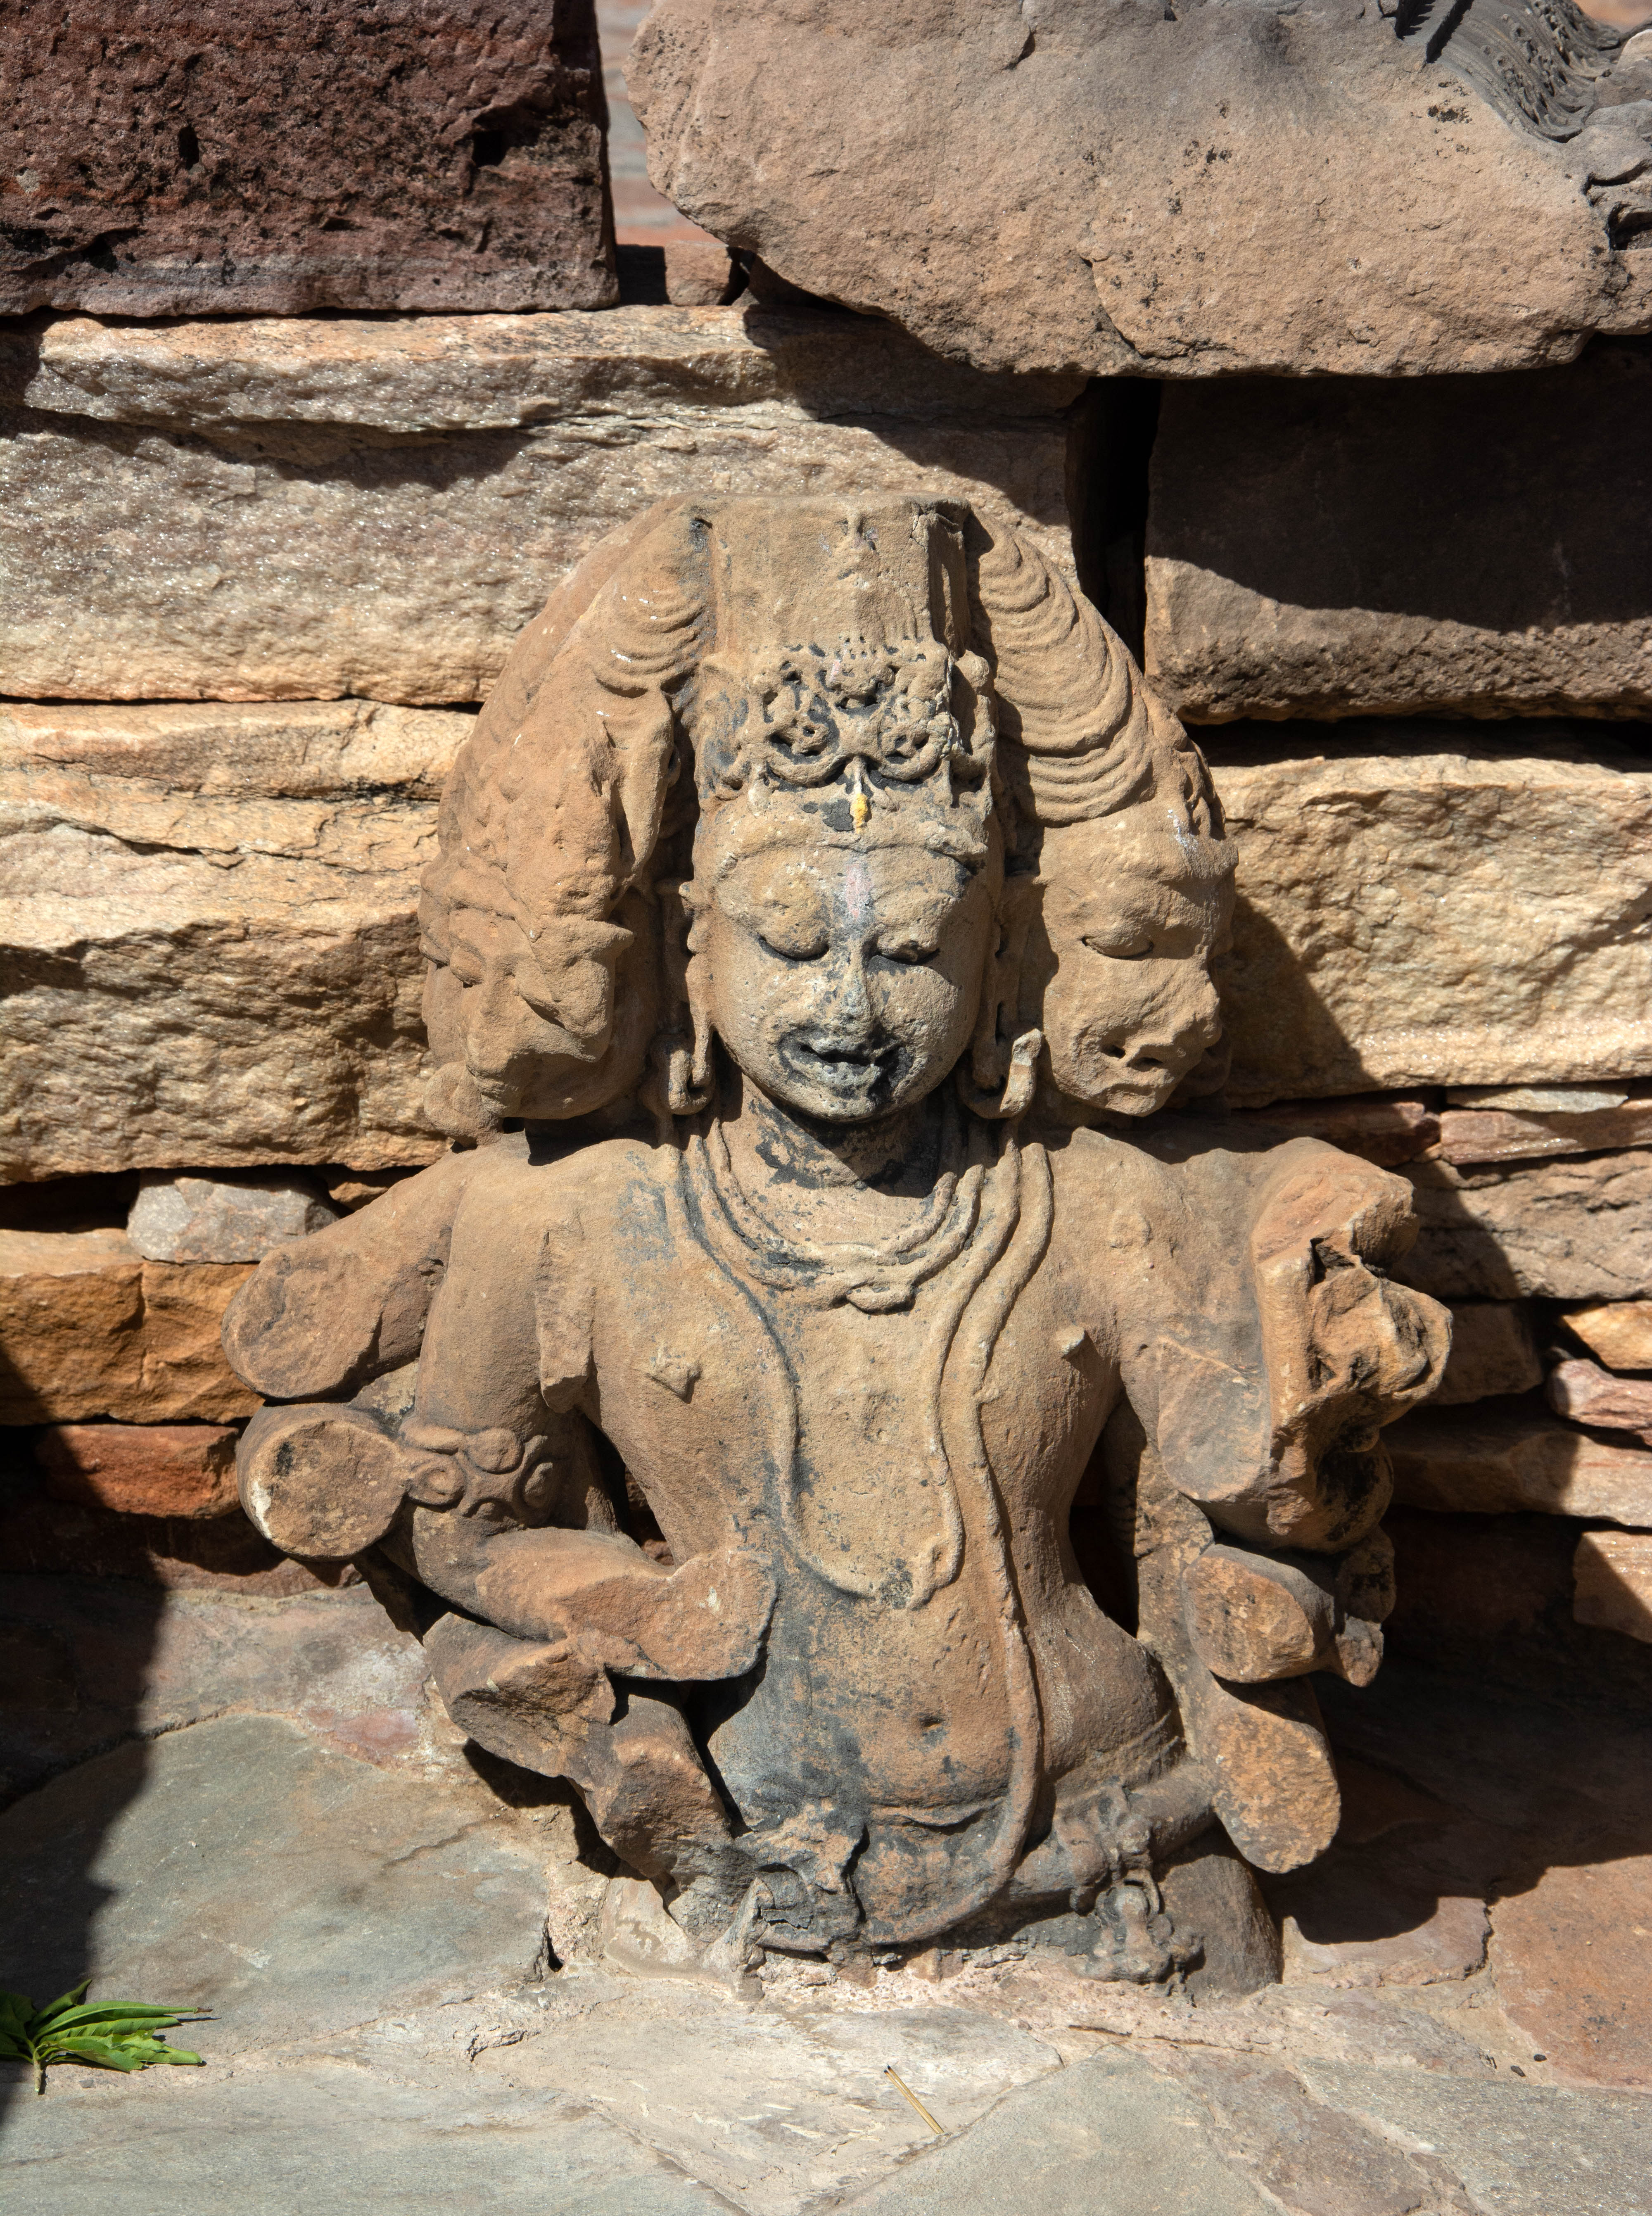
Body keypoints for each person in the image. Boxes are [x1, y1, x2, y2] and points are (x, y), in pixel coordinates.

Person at [225, 496, 1447, 1982]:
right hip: (763, 1810)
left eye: (912, 948)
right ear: (692, 944)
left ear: (1004, 949)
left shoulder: (1095, 1203)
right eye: (793, 944)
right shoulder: (567, 1222)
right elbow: (459, 1524)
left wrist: (1304, 1408)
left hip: (1116, 1807)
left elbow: (1197, 1489)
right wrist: (631, 1607)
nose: (850, 1009)